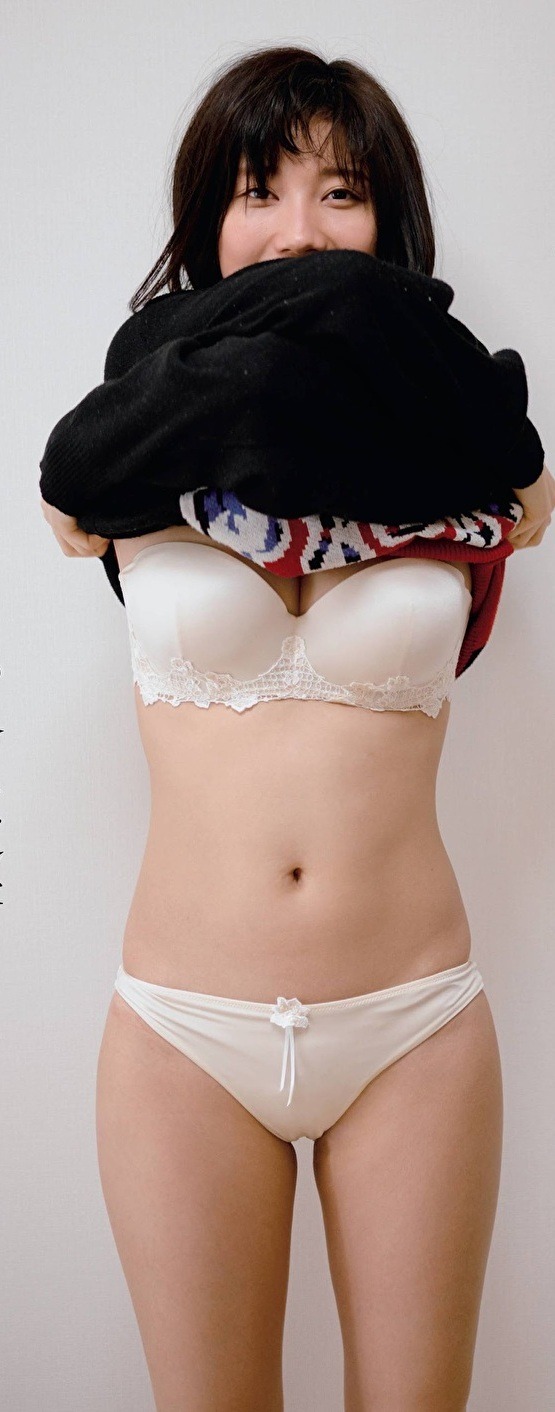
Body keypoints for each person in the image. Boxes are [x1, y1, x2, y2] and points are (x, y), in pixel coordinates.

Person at [41, 46, 554, 1412]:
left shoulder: (471, 447)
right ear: (206, 220)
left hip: (413, 1023)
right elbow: (74, 483)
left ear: (391, 222)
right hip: (183, 1034)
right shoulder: (129, 443)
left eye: (342, 193)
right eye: (258, 190)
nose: (300, 232)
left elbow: (517, 481)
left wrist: (371, 336)